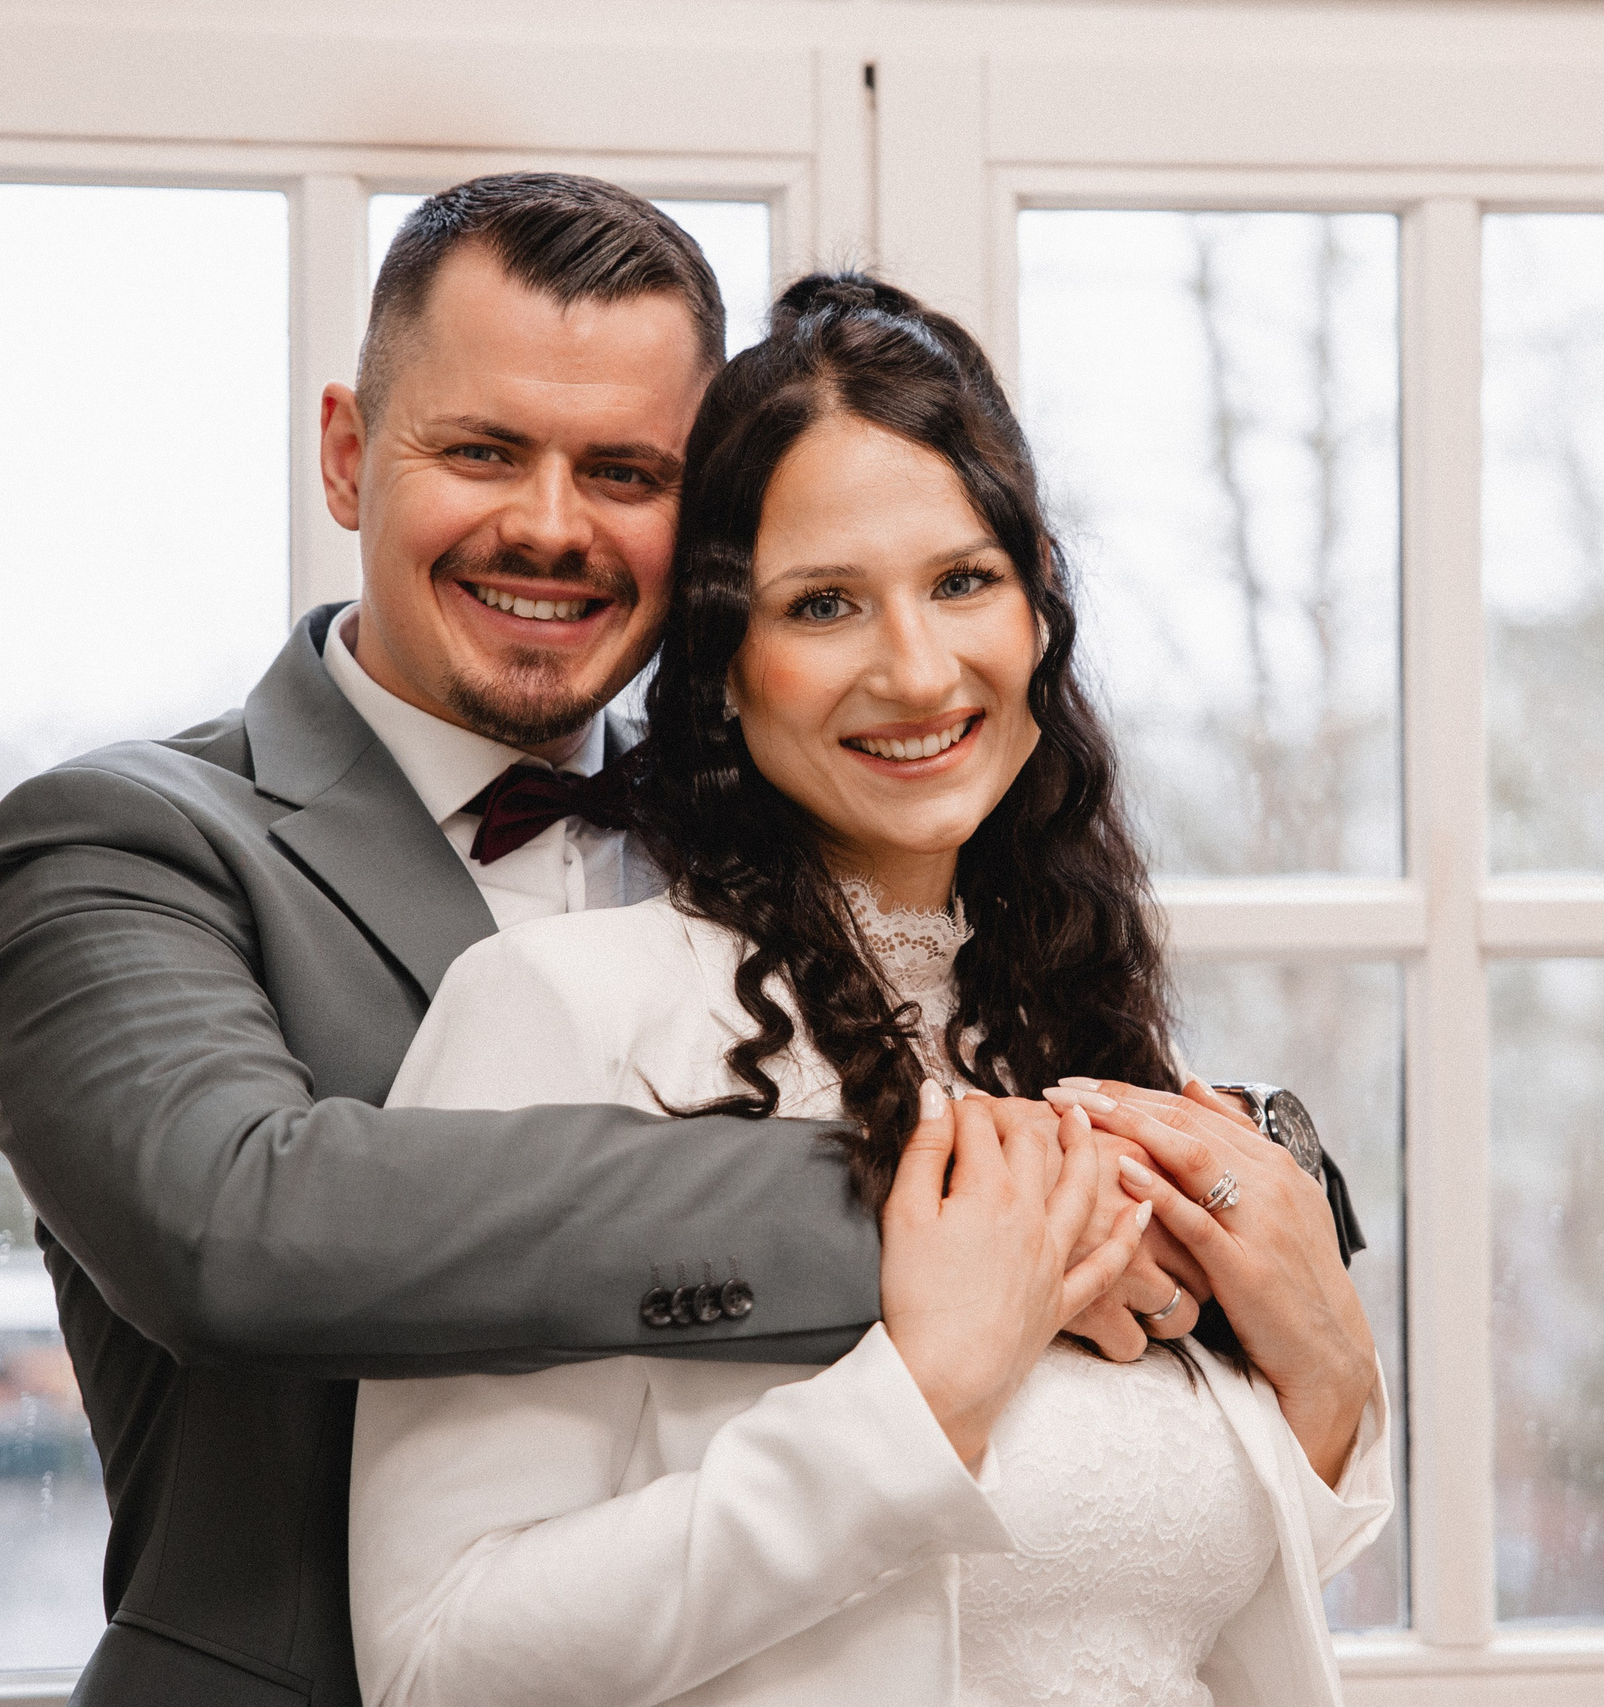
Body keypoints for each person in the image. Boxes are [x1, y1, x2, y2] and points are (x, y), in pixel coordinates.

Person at [0, 174, 1173, 1707]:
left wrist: (1232, 1173)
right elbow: (234, 1225)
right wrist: (955, 1205)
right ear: (346, 456)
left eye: (623, 470)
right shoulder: (118, 838)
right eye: (479, 450)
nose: (548, 525)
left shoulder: (795, 804)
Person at [348, 274, 1391, 1707]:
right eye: (825, 603)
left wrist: (1329, 1384)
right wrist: (921, 1400)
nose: (917, 669)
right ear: (724, 666)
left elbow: (1142, 1593)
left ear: (1037, 612)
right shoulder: (559, 1014)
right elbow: (438, 1662)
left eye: (963, 580)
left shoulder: (1074, 1033)